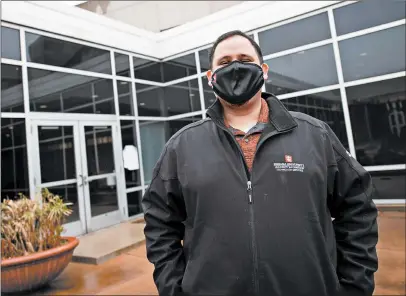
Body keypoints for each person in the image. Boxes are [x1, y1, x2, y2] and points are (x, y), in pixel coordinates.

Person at [142, 30, 378, 296]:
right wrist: (173, 288)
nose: (235, 67)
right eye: (224, 62)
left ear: (264, 70)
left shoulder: (315, 135)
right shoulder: (181, 146)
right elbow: (160, 224)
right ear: (210, 78)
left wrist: (353, 285)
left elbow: (357, 209)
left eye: (245, 59)